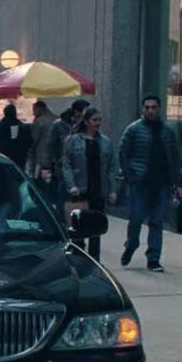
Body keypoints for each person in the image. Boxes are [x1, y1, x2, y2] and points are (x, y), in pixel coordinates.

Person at [119, 95, 182, 272]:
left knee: (157, 221)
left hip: (161, 183)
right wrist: (130, 175)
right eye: (147, 107)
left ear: (159, 109)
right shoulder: (133, 129)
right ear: (142, 109)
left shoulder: (167, 132)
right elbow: (123, 154)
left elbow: (174, 159)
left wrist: (178, 183)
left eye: (153, 107)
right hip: (140, 182)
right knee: (136, 219)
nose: (150, 110)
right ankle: (131, 245)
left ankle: (153, 258)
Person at [60, 108, 119, 261]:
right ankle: (78, 258)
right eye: (94, 120)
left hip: (98, 190)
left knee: (96, 230)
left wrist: (113, 189)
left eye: (99, 120)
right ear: (86, 122)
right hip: (79, 191)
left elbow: (111, 167)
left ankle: (94, 261)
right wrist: (71, 184)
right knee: (78, 229)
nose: (97, 123)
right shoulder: (74, 140)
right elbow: (66, 164)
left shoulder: (105, 142)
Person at [0, 105, 33, 170]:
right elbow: (29, 142)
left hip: (3, 157)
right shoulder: (22, 127)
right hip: (19, 158)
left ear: (4, 113)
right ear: (15, 113)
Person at [48, 99, 91, 171]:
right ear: (77, 112)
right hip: (63, 163)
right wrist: (49, 165)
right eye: (85, 111)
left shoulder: (86, 124)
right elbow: (51, 145)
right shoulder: (59, 125)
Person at [28, 101, 58, 178]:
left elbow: (33, 140)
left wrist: (30, 154)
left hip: (42, 158)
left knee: (40, 182)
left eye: (34, 110)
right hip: (56, 157)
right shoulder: (57, 119)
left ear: (40, 109)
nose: (33, 113)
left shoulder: (39, 121)